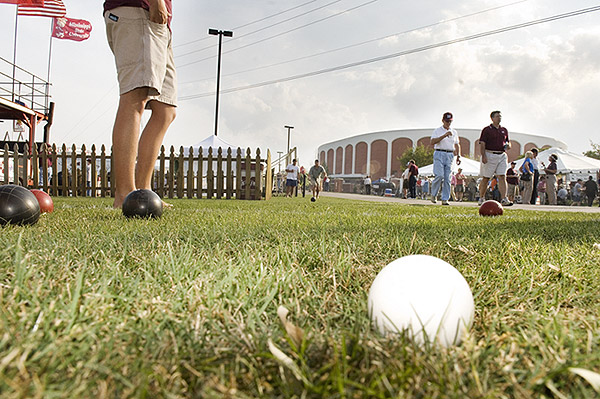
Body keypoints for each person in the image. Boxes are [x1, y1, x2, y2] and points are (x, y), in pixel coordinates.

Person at [104, 0, 177, 208]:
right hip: (138, 10)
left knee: (166, 110)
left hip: (159, 24)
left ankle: (143, 192)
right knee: (135, 96)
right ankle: (125, 194)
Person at [477, 111, 513, 206]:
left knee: (502, 176)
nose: (499, 118)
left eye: (500, 116)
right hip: (490, 154)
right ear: (492, 118)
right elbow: (482, 143)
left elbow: (508, 142)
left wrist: (508, 145)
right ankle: (481, 198)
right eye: (497, 116)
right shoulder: (487, 130)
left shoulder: (504, 130)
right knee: (486, 177)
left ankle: (504, 199)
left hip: (502, 155)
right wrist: (483, 155)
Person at [430, 112, 461, 205]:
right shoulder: (437, 130)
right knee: (439, 175)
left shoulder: (454, 132)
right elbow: (432, 142)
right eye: (447, 121)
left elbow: (457, 144)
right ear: (443, 121)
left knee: (448, 178)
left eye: (450, 121)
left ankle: (445, 198)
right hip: (439, 153)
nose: (448, 123)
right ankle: (434, 194)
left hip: (450, 154)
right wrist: (444, 135)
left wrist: (458, 155)